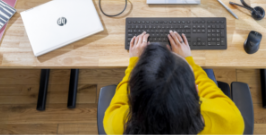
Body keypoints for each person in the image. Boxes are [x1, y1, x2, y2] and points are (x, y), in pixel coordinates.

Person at [103, 31, 244, 135]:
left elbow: (117, 105)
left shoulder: (116, 126)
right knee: (209, 73)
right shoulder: (230, 122)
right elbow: (215, 96)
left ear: (133, 96)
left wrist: (134, 63)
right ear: (196, 90)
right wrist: (188, 61)